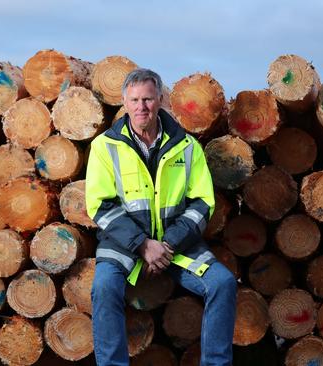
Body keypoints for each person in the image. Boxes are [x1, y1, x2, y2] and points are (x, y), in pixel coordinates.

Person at [85, 68, 237, 366]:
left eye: (148, 99)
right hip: (123, 245)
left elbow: (203, 202)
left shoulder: (187, 146)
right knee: (103, 287)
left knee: (223, 283)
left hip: (176, 246)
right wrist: (143, 244)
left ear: (160, 100)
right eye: (135, 100)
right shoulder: (104, 147)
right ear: (124, 102)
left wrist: (167, 244)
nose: (141, 107)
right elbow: (100, 206)